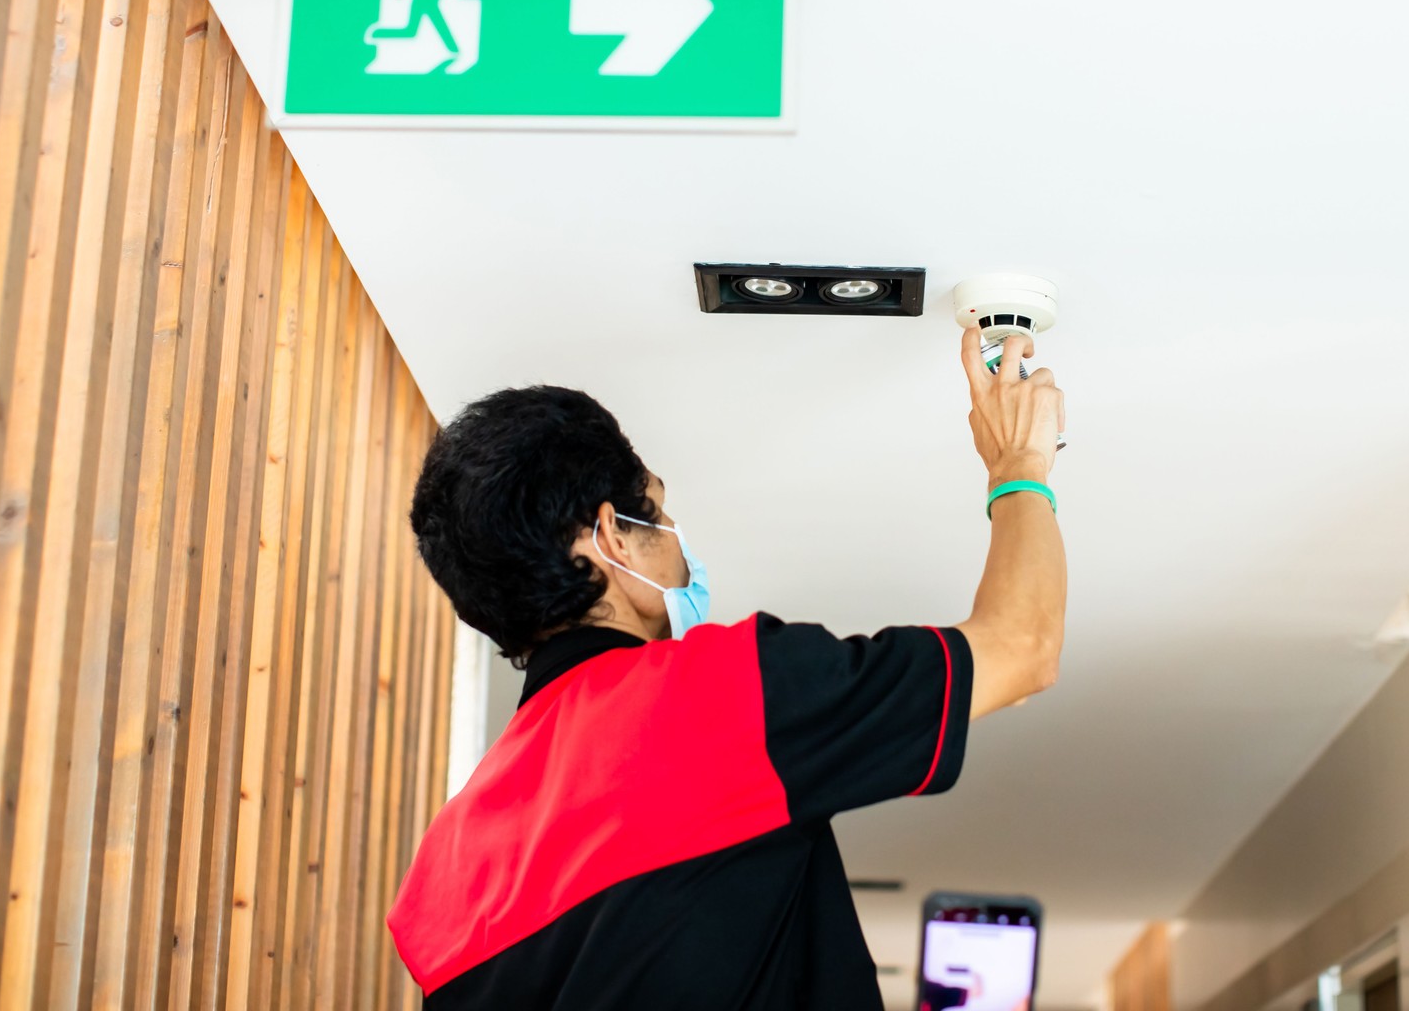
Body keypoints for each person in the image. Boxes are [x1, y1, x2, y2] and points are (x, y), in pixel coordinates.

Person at [387, 328, 1067, 1009]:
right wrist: (1019, 462)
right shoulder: (711, 699)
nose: (678, 533)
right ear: (610, 536)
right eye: (655, 506)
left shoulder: (436, 880)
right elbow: (1022, 646)